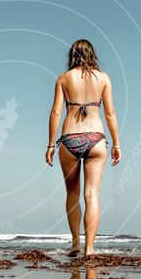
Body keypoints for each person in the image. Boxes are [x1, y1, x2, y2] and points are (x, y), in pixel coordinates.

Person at [45, 39, 120, 257]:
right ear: (92, 54)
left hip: (69, 139)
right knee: (92, 194)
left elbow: (56, 113)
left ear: (72, 55)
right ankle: (89, 249)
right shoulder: (104, 78)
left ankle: (76, 243)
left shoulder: (63, 79)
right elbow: (110, 113)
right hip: (96, 139)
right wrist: (116, 143)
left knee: (72, 193)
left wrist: (51, 144)